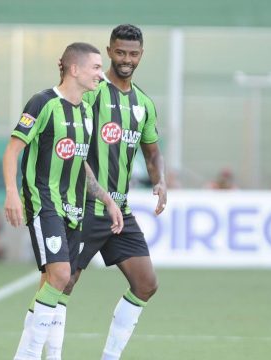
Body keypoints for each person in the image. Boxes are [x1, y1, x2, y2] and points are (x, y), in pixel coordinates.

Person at [49, 25, 168, 360]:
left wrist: (160, 181)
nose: (126, 59)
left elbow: (152, 149)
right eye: (119, 52)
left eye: (133, 54)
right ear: (109, 51)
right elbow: (73, 147)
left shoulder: (143, 103)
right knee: (63, 284)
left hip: (119, 212)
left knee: (146, 284)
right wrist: (97, 194)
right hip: (84, 207)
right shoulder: (91, 93)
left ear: (141, 55)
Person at [3, 42, 123, 360]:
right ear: (75, 69)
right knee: (60, 275)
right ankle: (28, 355)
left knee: (55, 281)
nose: (102, 74)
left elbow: (80, 163)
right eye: (96, 67)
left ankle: (49, 354)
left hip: (74, 208)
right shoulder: (42, 102)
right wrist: (12, 192)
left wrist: (107, 200)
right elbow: (13, 149)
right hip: (44, 201)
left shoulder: (85, 111)